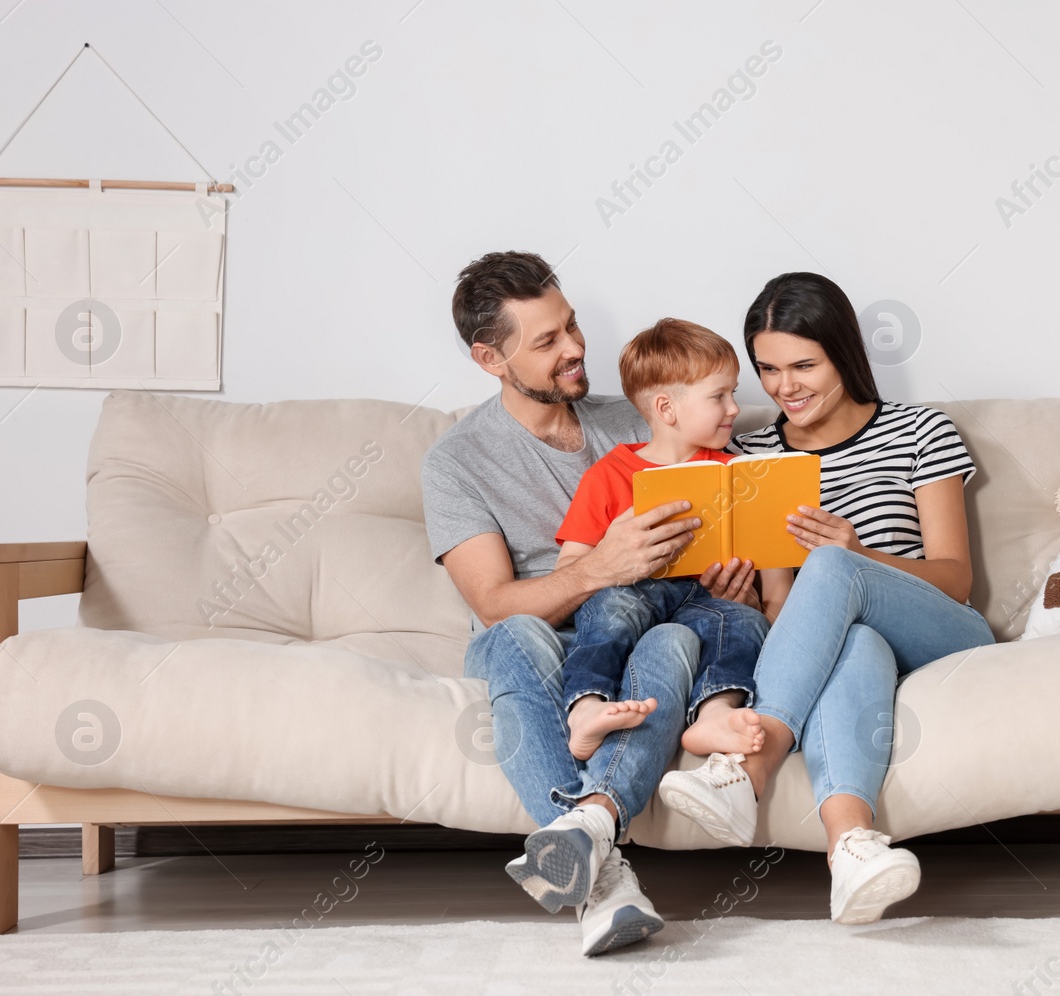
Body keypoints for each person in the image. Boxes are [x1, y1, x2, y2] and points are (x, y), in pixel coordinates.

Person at [422, 252, 757, 957]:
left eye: (570, 325)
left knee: (674, 644)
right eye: (546, 341)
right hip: (541, 636)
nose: (575, 348)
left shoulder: (640, 421)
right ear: (490, 357)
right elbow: (493, 602)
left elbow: (735, 511)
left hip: (649, 627)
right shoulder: (458, 459)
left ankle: (591, 843)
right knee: (518, 635)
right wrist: (598, 567)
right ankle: (603, 882)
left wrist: (738, 582)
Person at [657, 272, 997, 925]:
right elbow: (786, 615)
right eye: (769, 369)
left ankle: (747, 770)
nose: (786, 385)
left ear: (844, 353)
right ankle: (852, 852)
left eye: (805, 364)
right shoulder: (750, 455)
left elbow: (957, 578)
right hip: (845, 644)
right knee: (857, 640)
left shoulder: (919, 431)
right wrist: (741, 596)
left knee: (835, 565)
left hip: (941, 629)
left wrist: (856, 553)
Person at [553, 318, 786, 765]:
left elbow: (778, 587)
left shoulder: (743, 475)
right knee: (608, 608)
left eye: (733, 392)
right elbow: (571, 573)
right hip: (636, 595)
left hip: (707, 600)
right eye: (719, 396)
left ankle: (714, 714)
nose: (735, 407)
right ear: (666, 408)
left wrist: (756, 601)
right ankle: (585, 708)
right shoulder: (606, 476)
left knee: (742, 623)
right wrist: (611, 555)